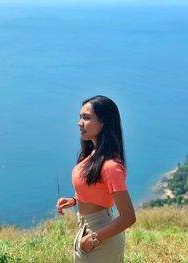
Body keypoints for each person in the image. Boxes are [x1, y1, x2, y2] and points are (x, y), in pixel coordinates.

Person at [56, 95, 136, 263]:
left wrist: (94, 237)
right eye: (80, 117)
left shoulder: (111, 166)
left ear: (103, 122)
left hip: (101, 234)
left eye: (86, 117)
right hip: (88, 228)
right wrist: (75, 200)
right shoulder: (93, 154)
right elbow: (97, 189)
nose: (80, 123)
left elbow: (129, 217)